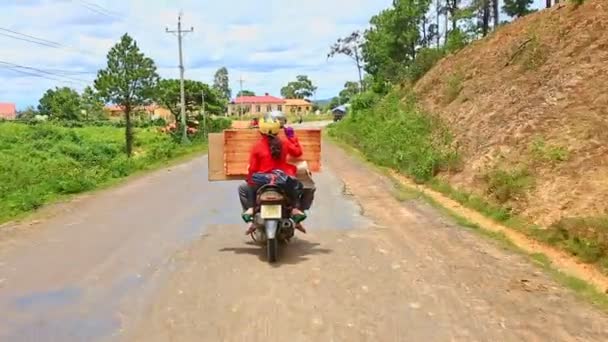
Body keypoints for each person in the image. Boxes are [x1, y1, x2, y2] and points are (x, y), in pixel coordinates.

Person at [238, 113, 307, 234]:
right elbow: (297, 152)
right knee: (299, 187)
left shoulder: (257, 146)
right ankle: (295, 211)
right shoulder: (285, 142)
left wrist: (250, 181)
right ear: (278, 130)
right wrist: (292, 137)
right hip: (283, 180)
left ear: (260, 130)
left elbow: (253, 169)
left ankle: (251, 211)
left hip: (262, 181)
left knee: (243, 188)